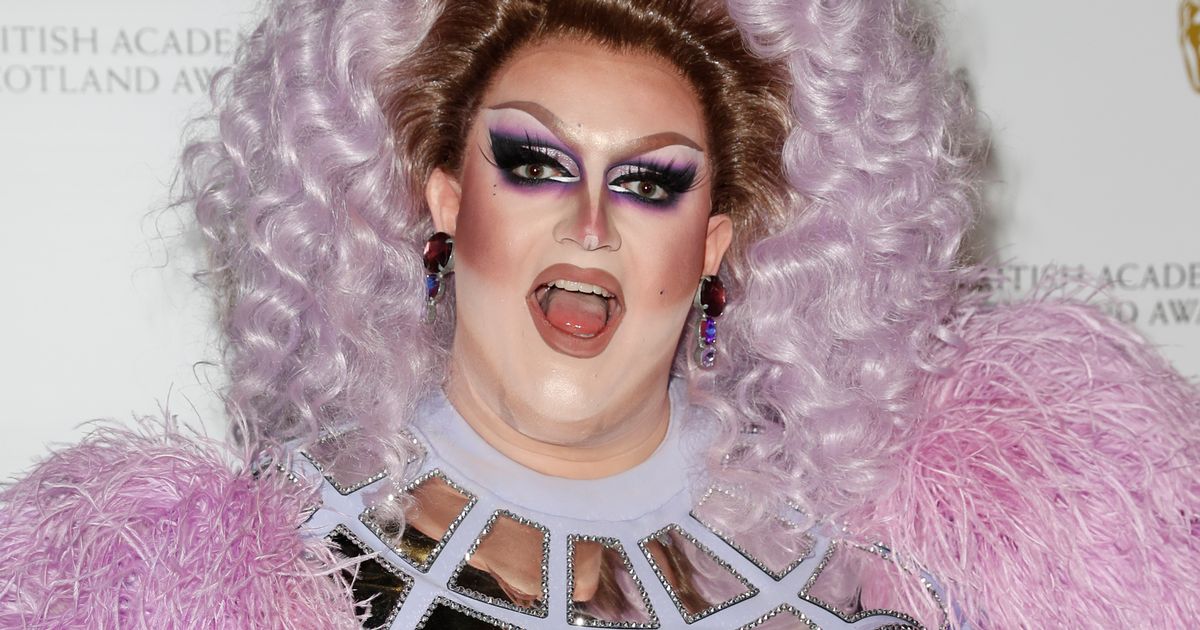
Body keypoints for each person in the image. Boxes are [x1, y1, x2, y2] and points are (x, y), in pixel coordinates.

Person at [2, 0, 1197, 628]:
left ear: (715, 246)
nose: (589, 223)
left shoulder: (868, 588)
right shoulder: (226, 595)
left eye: (651, 183)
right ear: (442, 201)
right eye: (533, 165)